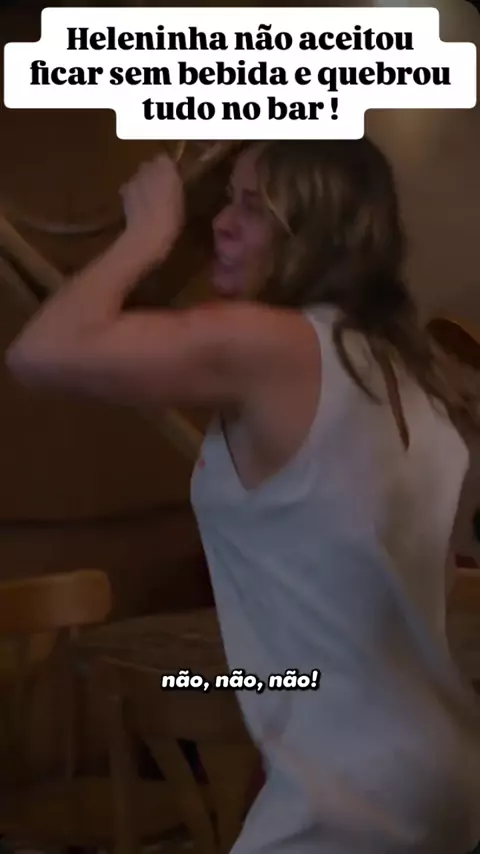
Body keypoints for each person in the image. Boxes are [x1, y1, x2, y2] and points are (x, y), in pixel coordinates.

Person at [6, 139, 480, 853]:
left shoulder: (270, 344)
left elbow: (41, 351)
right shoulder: (400, 363)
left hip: (355, 792)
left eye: (254, 208)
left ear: (318, 231)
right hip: (438, 765)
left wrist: (147, 235)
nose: (221, 223)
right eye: (228, 199)